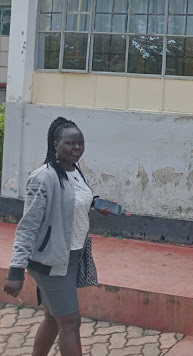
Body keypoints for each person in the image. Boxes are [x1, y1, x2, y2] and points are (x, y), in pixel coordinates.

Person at [3, 117, 111, 356]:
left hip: (72, 257)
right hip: (50, 262)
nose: (77, 148)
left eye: (80, 143)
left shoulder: (74, 170)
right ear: (55, 144)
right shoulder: (43, 177)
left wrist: (93, 203)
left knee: (53, 318)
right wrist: (16, 271)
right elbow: (27, 226)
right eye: (70, 143)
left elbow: (69, 200)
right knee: (70, 322)